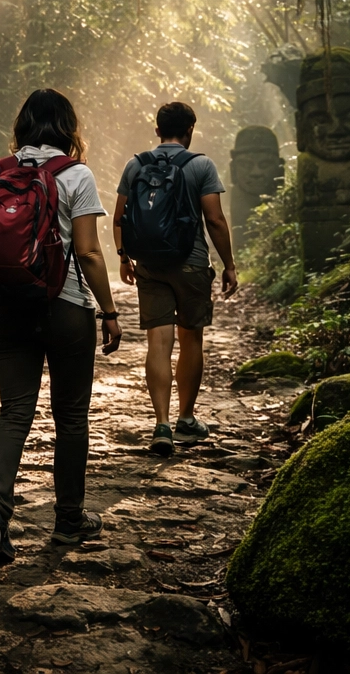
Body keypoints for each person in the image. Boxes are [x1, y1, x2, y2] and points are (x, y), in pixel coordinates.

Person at [0, 89, 123, 562]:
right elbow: (89, 252)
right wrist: (110, 311)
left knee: (14, 412)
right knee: (71, 417)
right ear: (67, 126)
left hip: (9, 310)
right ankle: (68, 521)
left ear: (22, 126)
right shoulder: (76, 174)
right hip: (66, 310)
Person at [113, 101, 237, 457]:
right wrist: (228, 264)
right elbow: (214, 220)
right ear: (190, 130)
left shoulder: (135, 164)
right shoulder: (201, 165)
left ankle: (162, 423)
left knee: (158, 342)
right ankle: (186, 418)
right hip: (191, 264)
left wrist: (124, 257)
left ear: (157, 130)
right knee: (191, 338)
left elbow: (120, 217)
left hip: (149, 265)